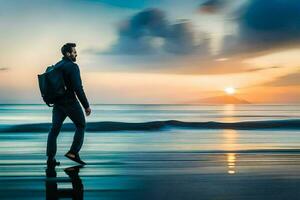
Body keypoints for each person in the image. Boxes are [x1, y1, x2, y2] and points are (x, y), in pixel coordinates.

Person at [46, 43, 91, 166]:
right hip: (70, 102)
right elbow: (78, 88)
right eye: (74, 51)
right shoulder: (73, 67)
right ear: (67, 54)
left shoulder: (57, 66)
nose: (76, 53)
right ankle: (73, 152)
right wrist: (86, 105)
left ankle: (50, 160)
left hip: (58, 104)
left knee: (54, 130)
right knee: (81, 125)